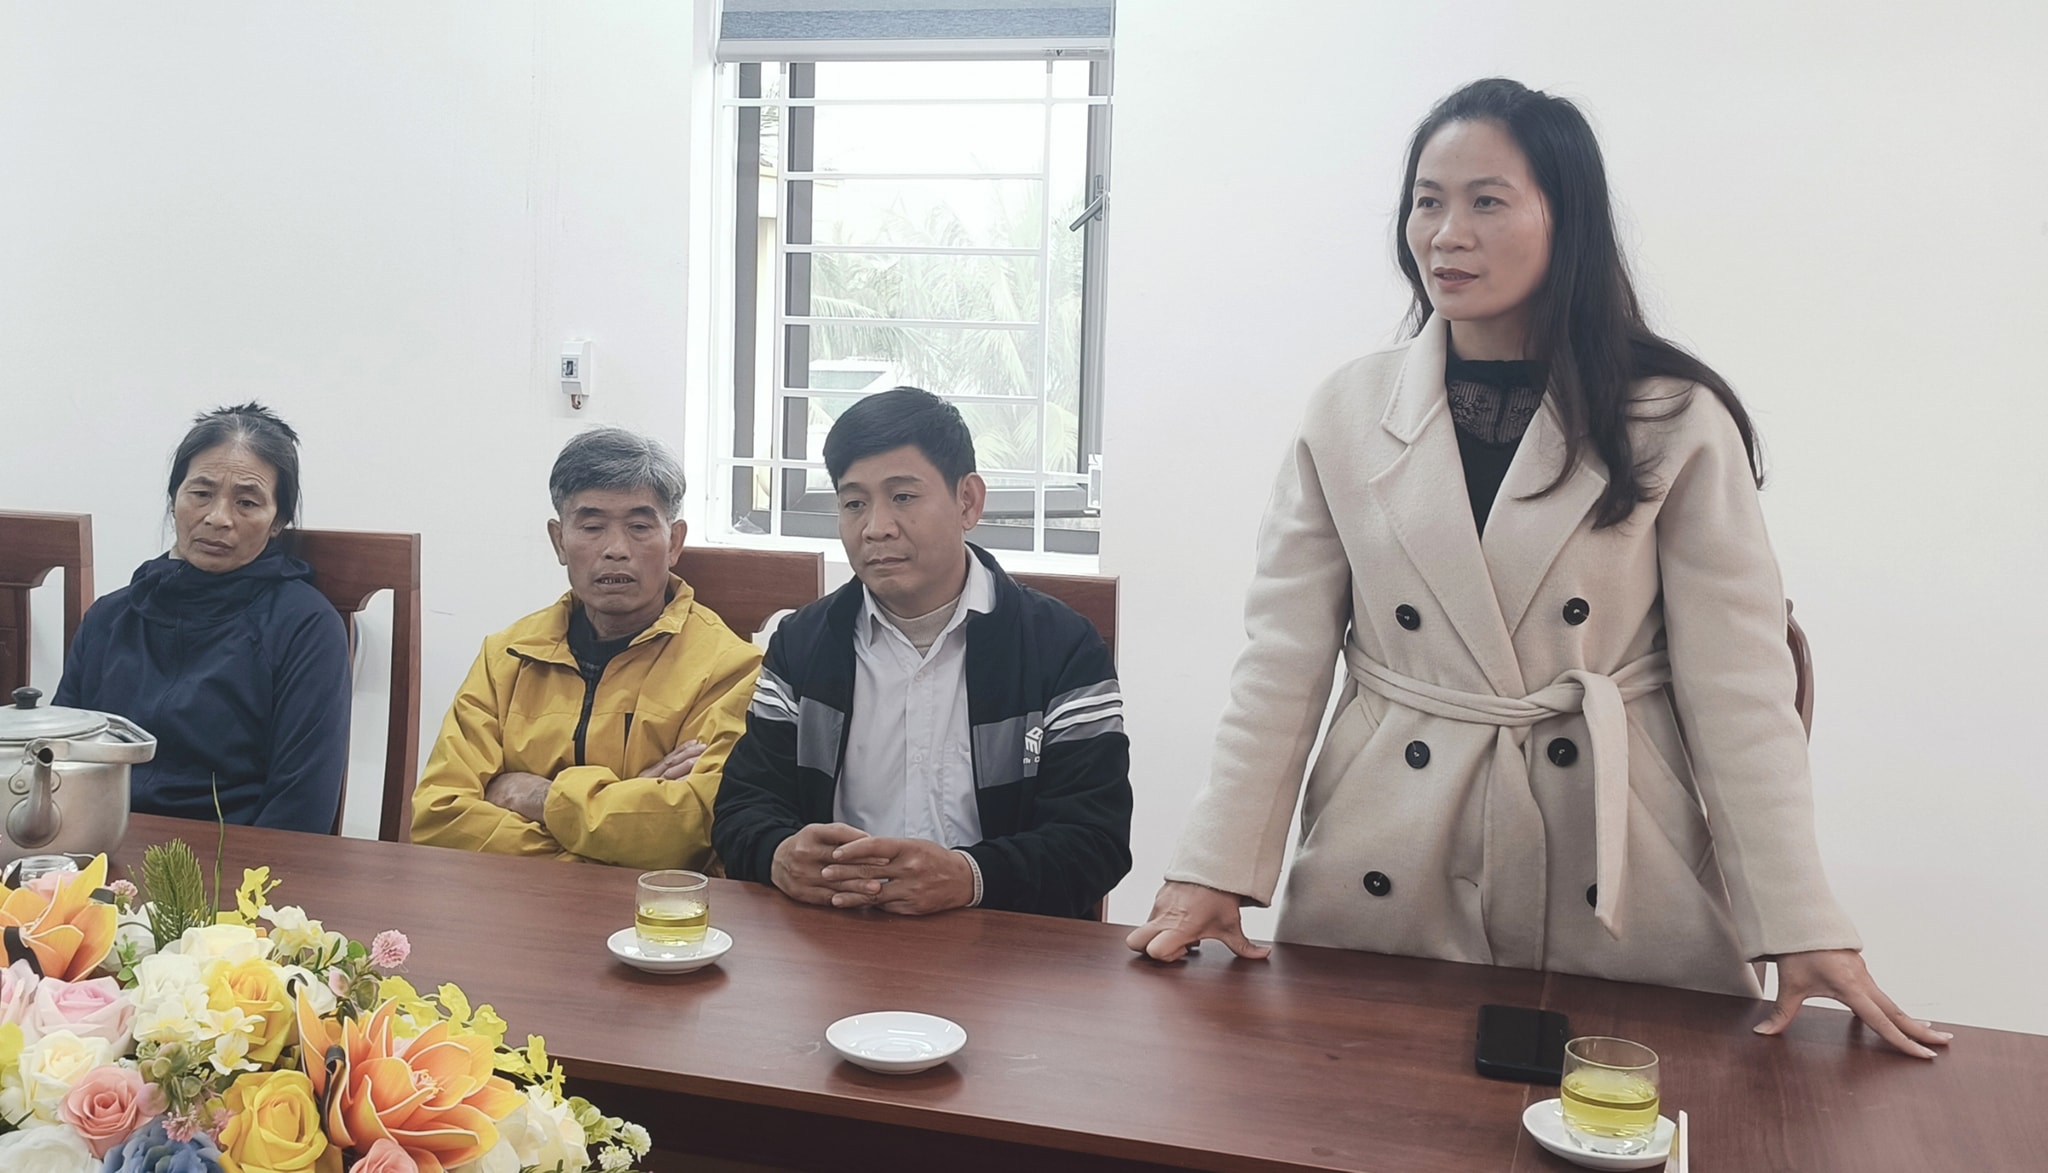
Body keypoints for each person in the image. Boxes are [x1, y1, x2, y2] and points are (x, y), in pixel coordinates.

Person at [1126, 78, 1950, 1060]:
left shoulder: (1672, 417)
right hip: (1390, 833)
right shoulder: (1345, 411)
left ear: (1568, 221)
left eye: (1486, 201)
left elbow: (1738, 686)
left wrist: (1799, 917)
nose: (1446, 234)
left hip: (1610, 843)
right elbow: (1280, 660)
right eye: (1426, 201)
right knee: (1359, 1097)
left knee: (1632, 1104)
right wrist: (1214, 863)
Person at [712, 388, 1130, 919]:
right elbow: (741, 810)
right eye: (854, 503)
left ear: (968, 502)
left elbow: (1096, 840)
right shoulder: (801, 645)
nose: (876, 527)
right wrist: (778, 855)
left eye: (903, 497)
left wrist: (970, 877)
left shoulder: (1061, 647)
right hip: (836, 932)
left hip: (1001, 942)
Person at [410, 428, 761, 871]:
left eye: (639, 527)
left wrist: (537, 797)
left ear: (674, 542)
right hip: (514, 901)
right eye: (592, 527)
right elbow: (439, 818)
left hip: (652, 911)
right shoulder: (507, 657)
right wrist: (621, 817)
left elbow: (687, 832)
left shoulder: (730, 668)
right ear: (559, 541)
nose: (616, 550)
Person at [55, 403, 350, 831]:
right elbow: (58, 762)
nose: (218, 518)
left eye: (247, 502)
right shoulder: (110, 617)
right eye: (200, 494)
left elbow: (302, 806)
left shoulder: (306, 627)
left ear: (278, 522)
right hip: (102, 848)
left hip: (233, 859)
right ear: (174, 499)